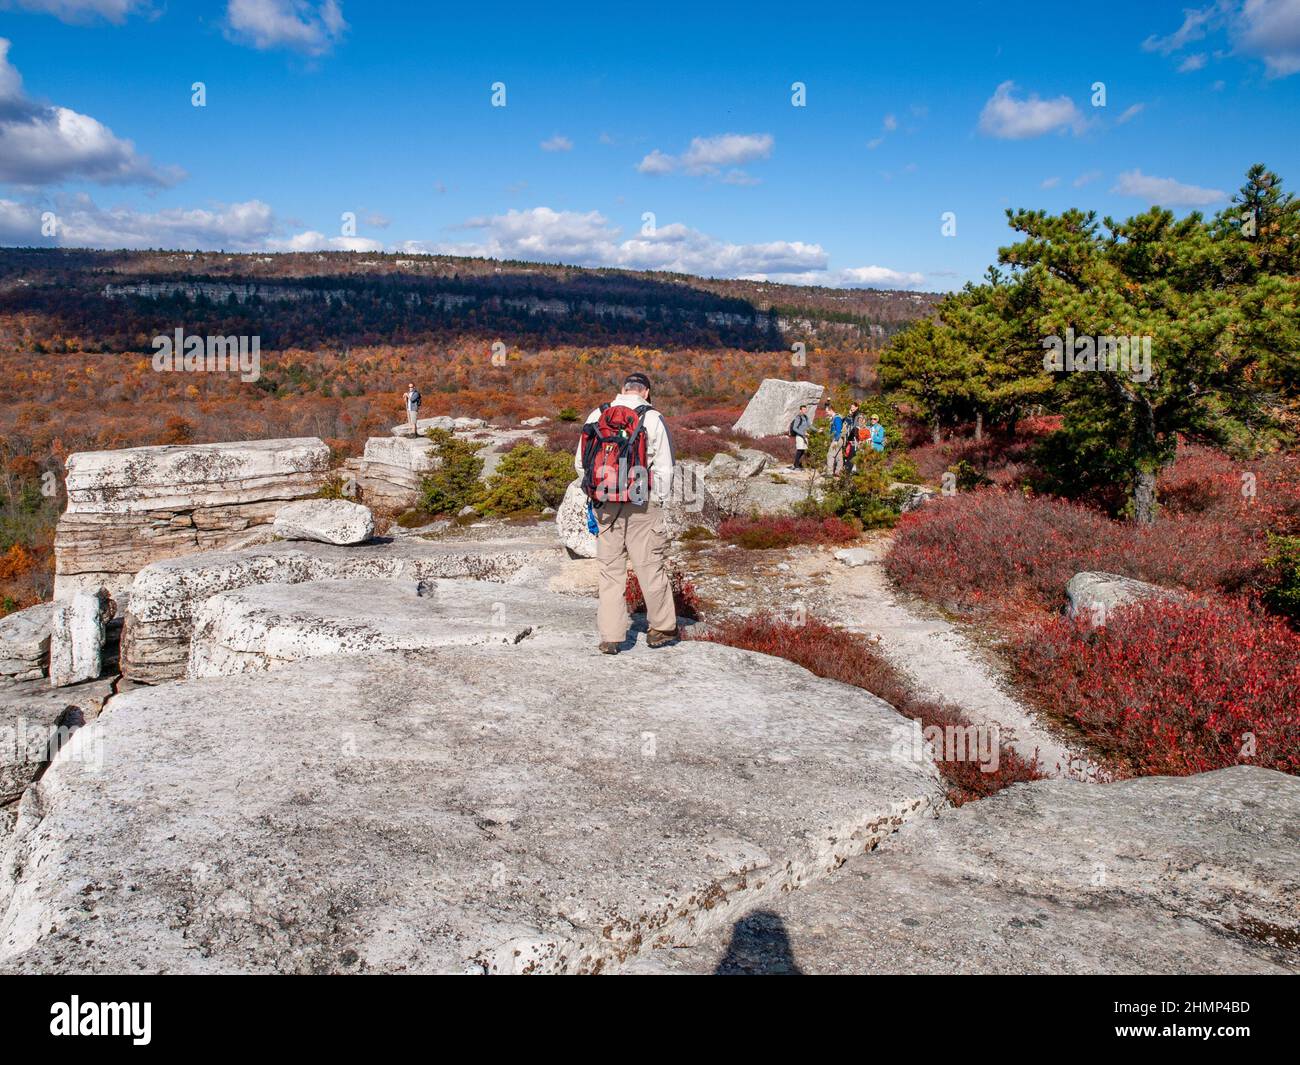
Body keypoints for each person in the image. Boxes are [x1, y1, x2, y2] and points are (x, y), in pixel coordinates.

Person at [574, 372, 677, 655]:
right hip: (642, 502)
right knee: (649, 565)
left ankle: (611, 636)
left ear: (622, 389)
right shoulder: (653, 417)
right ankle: (662, 628)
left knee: (610, 570)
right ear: (646, 393)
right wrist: (659, 501)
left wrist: (597, 493)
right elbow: (665, 467)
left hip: (605, 503)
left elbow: (581, 462)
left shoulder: (598, 413)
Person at [824, 402, 844, 476]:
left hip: (837, 439)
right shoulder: (834, 418)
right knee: (839, 456)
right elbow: (832, 431)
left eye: (827, 411)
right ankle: (838, 472)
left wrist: (835, 441)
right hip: (838, 439)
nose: (826, 413)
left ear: (831, 410)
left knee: (830, 455)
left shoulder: (837, 418)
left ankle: (829, 473)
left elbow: (838, 430)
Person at [790, 404, 811, 469]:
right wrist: (803, 434)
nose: (805, 410)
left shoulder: (806, 417)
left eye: (805, 409)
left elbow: (810, 426)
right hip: (799, 436)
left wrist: (817, 430)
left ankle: (796, 464)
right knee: (799, 450)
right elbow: (794, 428)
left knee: (803, 450)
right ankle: (796, 465)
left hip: (804, 436)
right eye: (803, 409)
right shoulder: (798, 417)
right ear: (800, 410)